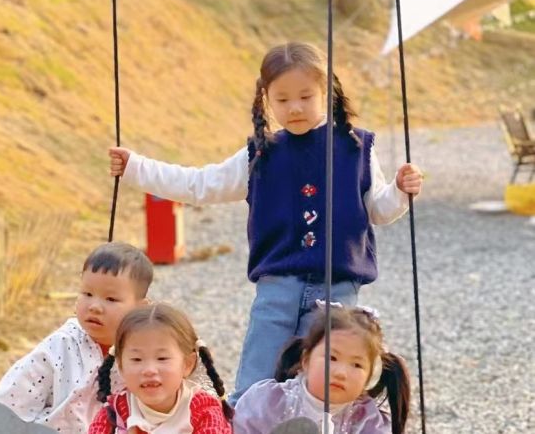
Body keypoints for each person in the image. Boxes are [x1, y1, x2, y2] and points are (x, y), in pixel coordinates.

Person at [108, 42, 423, 404]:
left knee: (322, 385)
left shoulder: (356, 148)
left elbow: (378, 210)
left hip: (338, 288)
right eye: (282, 99)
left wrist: (400, 190)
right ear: (266, 100)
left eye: (306, 96)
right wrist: (135, 168)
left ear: (327, 92)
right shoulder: (260, 153)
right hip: (278, 286)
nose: (295, 107)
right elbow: (198, 184)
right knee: (256, 381)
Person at [0, 242, 153, 433]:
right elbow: (14, 397)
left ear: (140, 308)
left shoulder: (146, 353)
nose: (94, 306)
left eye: (111, 299)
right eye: (87, 294)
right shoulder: (61, 344)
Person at [234, 302, 411, 434]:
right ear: (306, 360)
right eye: (332, 358)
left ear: (370, 377)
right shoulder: (269, 400)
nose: (341, 373)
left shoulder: (368, 421)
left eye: (357, 365)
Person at [89, 302, 233, 433]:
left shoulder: (203, 410)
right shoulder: (115, 411)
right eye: (137, 359)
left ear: (187, 364)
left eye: (162, 358)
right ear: (121, 366)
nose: (149, 370)